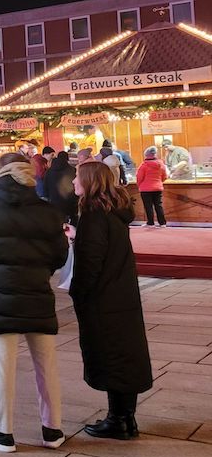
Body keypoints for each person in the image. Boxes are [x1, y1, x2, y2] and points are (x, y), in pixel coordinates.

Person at [0, 153, 69, 453]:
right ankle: (52, 429)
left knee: (3, 367)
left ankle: (3, 432)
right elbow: (60, 255)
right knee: (46, 366)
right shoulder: (48, 211)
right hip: (37, 295)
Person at [72, 160, 153, 439]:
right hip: (122, 294)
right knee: (124, 354)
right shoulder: (114, 211)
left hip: (103, 298)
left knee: (110, 356)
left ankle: (118, 420)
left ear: (90, 182)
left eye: (77, 177)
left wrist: (78, 292)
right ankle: (125, 417)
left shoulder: (94, 214)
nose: (73, 182)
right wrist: (77, 237)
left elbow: (91, 262)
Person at [136, 146, 168, 227]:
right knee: (158, 205)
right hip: (158, 188)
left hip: (145, 189)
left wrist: (139, 185)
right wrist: (159, 182)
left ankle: (150, 222)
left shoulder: (143, 166)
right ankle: (162, 223)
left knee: (148, 206)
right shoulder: (161, 164)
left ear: (146, 155)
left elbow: (139, 178)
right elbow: (165, 176)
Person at [44, 150, 78, 225]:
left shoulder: (49, 171)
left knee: (57, 223)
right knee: (71, 224)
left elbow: (45, 188)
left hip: (54, 202)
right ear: (67, 158)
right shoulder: (72, 169)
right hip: (70, 202)